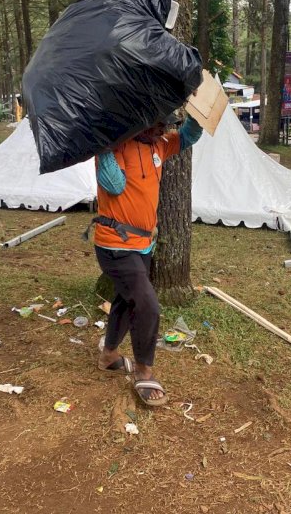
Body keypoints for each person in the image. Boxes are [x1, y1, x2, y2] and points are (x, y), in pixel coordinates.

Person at [89, 113, 203, 407]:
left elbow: (188, 137)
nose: (163, 129)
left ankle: (109, 355)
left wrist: (201, 115)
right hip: (115, 245)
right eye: (157, 124)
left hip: (142, 245)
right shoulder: (113, 147)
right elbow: (113, 186)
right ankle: (143, 370)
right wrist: (103, 145)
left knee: (126, 300)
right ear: (138, 123)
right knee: (147, 304)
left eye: (166, 124)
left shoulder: (158, 145)